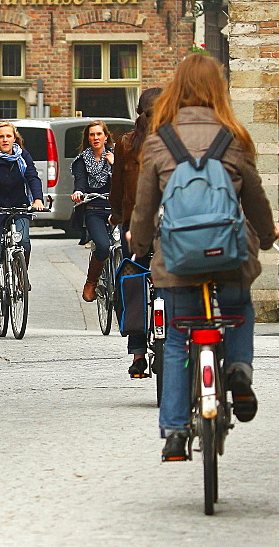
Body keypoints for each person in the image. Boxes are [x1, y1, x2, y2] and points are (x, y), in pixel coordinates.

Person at [129, 53, 279, 463]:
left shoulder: (161, 139)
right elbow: (255, 198)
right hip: (228, 256)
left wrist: (138, 245)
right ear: (218, 90)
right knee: (238, 308)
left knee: (178, 339)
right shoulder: (233, 137)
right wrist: (267, 237)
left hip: (177, 261)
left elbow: (145, 207)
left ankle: (176, 433)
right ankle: (239, 370)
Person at [109, 88, 162, 378]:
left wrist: (117, 214)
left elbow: (116, 188)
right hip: (171, 223)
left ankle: (138, 354)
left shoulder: (126, 143)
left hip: (133, 224)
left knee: (135, 280)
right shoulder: (175, 141)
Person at [0, 122, 44, 317]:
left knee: (24, 242)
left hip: (18, 208)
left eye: (8, 136)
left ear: (15, 138)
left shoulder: (23, 156)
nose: (5, 140)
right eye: (1, 137)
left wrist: (37, 199)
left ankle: (22, 276)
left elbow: (32, 177)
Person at [71, 121, 115, 302]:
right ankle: (91, 282)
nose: (96, 138)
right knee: (103, 247)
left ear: (106, 136)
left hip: (115, 209)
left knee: (128, 247)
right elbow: (80, 180)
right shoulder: (82, 160)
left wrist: (115, 164)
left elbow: (127, 178)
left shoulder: (116, 156)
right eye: (92, 135)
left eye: (99, 134)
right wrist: (79, 192)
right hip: (94, 209)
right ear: (88, 138)